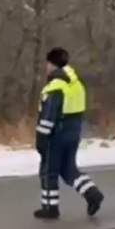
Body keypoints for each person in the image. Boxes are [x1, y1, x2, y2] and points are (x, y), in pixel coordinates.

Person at [34, 47, 104, 220]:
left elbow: (48, 116)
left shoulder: (55, 86)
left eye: (47, 64)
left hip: (56, 136)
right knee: (68, 169)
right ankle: (92, 193)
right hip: (73, 134)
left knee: (48, 171)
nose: (46, 68)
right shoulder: (76, 84)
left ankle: (50, 208)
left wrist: (41, 138)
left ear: (52, 64)